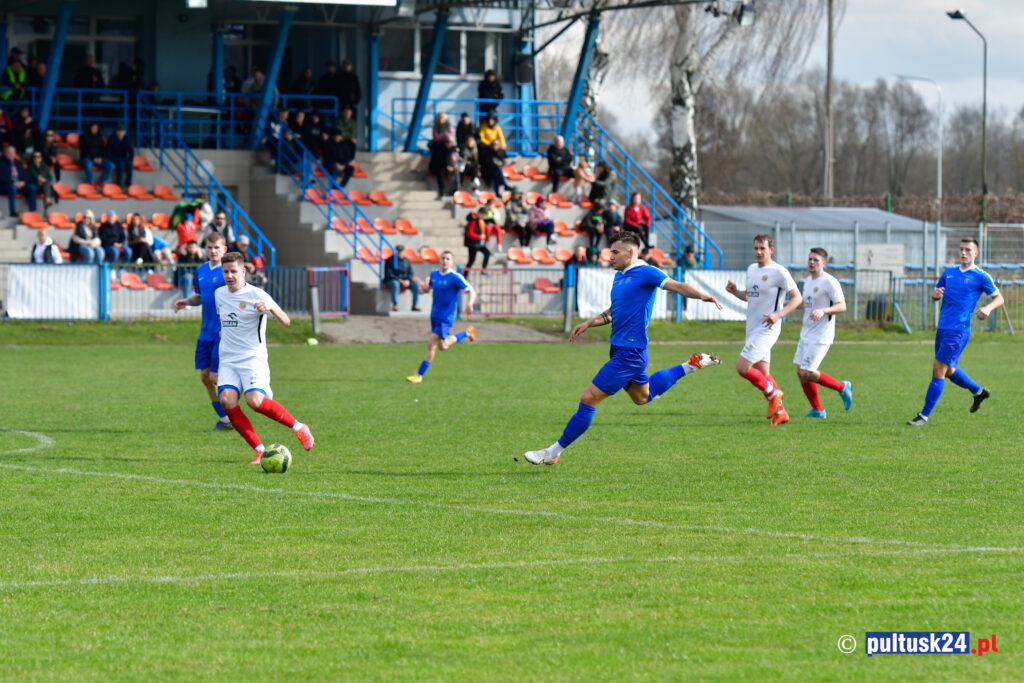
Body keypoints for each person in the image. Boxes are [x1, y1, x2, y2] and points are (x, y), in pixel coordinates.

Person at [522, 232, 723, 465]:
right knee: (642, 397)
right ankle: (691, 365)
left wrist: (703, 296)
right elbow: (614, 310)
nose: (610, 257)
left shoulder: (647, 272)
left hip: (630, 353)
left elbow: (677, 285)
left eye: (615, 252)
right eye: (610, 252)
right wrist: (589, 323)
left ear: (631, 253)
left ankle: (553, 452)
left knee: (589, 398)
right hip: (621, 350)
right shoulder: (619, 277)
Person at [214, 251, 315, 463]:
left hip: (252, 358)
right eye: (226, 272)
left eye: (233, 271)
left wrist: (270, 308)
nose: (229, 276)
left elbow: (286, 321)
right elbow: (226, 320)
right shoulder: (219, 294)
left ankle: (299, 427)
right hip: (228, 359)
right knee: (226, 400)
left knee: (255, 401)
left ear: (243, 272)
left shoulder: (257, 295)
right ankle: (259, 451)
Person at [907, 237, 1004, 426]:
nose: (963, 253)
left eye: (968, 250)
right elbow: (937, 293)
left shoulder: (980, 276)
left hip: (958, 330)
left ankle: (923, 416)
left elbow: (999, 298)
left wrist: (987, 309)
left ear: (975, 253)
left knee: (938, 368)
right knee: (949, 370)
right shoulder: (949, 272)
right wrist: (935, 296)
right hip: (943, 328)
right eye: (961, 249)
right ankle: (978, 392)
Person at [725, 234, 802, 426]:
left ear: (771, 250)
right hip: (752, 328)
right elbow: (750, 296)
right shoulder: (751, 269)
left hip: (768, 328)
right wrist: (735, 292)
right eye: (756, 248)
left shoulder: (779, 272)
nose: (758, 252)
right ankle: (781, 412)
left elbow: (797, 298)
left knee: (742, 367)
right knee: (763, 373)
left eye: (763, 248)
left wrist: (778, 314)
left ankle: (774, 394)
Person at [172, 232, 233, 430]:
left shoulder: (229, 271)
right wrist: (188, 301)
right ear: (204, 249)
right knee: (205, 377)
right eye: (209, 247)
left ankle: (235, 409)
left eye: (217, 248)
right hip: (205, 332)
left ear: (224, 249)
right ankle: (226, 419)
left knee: (215, 377)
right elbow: (201, 296)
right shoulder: (201, 270)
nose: (213, 251)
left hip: (222, 332)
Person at [794, 247, 852, 419]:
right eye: (810, 259)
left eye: (816, 260)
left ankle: (842, 387)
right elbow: (805, 303)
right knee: (801, 373)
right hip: (806, 332)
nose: (811, 262)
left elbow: (842, 306)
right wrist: (784, 306)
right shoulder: (807, 281)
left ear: (824, 263)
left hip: (821, 334)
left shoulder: (830, 282)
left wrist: (824, 310)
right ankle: (818, 410)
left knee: (806, 371)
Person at [406, 250, 477, 384]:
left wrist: (469, 304)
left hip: (446, 317)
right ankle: (467, 332)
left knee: (431, 344)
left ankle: (419, 375)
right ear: (440, 260)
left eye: (448, 259)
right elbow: (430, 288)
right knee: (443, 346)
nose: (445, 261)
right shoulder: (434, 274)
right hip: (434, 315)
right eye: (443, 258)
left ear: (452, 262)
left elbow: (471, 290)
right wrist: (423, 289)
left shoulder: (455, 277)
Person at [0, 144, 37, 216]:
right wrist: (13, 182)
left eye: (13, 152)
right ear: (5, 153)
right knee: (13, 188)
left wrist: (23, 182)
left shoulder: (18, 163)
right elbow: (1, 177)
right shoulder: (1, 163)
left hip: (19, 185)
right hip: (6, 186)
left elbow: (25, 175)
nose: (12, 154)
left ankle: (32, 212)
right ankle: (12, 211)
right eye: (10, 152)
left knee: (32, 187)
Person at [382, 245, 420, 312]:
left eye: (401, 251)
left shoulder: (406, 260)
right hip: (392, 280)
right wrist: (400, 280)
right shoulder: (389, 260)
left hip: (405, 281)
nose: (400, 253)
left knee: (416, 284)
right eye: (398, 251)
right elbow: (389, 274)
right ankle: (395, 304)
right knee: (395, 284)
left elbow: (411, 273)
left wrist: (408, 280)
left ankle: (415, 305)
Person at [79, 122, 113, 188]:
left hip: (99, 158)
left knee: (111, 165)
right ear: (90, 128)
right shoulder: (83, 137)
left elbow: (102, 149)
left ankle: (101, 181)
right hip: (88, 158)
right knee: (88, 165)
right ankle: (91, 181)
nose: (95, 129)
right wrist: (93, 158)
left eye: (96, 128)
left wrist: (100, 158)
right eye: (93, 128)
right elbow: (83, 150)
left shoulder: (100, 137)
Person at [105, 123, 134, 188]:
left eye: (122, 131)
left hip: (123, 157)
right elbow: (108, 151)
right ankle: (118, 183)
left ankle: (128, 183)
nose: (120, 133)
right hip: (114, 157)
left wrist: (131, 159)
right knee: (121, 164)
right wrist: (111, 158)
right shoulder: (111, 138)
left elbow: (131, 150)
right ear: (116, 132)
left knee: (129, 164)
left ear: (125, 132)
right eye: (119, 131)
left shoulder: (127, 139)